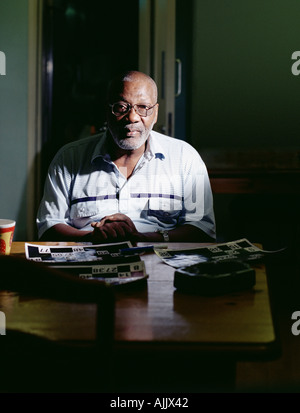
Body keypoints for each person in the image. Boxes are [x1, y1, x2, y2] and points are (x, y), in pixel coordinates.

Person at [37, 70, 216, 244]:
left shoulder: (185, 158)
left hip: (159, 259)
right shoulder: (69, 158)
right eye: (121, 107)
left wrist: (147, 238)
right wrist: (91, 238)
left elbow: (203, 229)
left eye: (143, 107)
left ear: (155, 113)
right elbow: (48, 226)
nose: (132, 117)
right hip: (88, 261)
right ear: (107, 111)